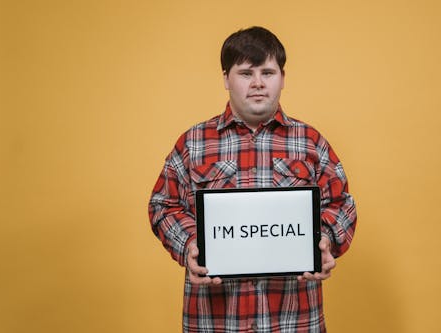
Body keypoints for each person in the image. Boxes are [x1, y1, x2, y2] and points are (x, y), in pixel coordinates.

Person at [148, 26, 357, 333]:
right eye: (246, 73)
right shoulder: (193, 143)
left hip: (293, 322)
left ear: (282, 79)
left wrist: (323, 239)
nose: (258, 83)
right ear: (225, 79)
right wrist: (191, 244)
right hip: (216, 321)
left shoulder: (311, 142)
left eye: (268, 72)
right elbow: (162, 205)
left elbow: (342, 204)